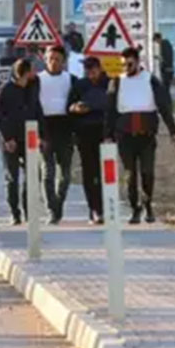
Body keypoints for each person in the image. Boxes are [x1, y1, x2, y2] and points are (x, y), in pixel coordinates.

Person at [107, 47, 175, 224]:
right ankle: (135, 208)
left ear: (138, 62)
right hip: (125, 135)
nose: (126, 68)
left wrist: (173, 130)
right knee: (130, 174)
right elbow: (109, 112)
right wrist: (107, 134)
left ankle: (148, 204)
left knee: (147, 172)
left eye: (130, 64)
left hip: (146, 135)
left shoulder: (151, 80)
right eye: (123, 65)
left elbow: (163, 107)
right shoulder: (116, 82)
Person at [0, 58, 43, 225]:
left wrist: (42, 134)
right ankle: (15, 213)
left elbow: (37, 110)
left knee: (32, 176)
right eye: (32, 71)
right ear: (25, 73)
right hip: (11, 141)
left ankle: (30, 212)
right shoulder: (5, 90)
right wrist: (8, 139)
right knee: (12, 177)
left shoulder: (33, 87)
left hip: (29, 139)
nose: (34, 74)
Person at [37, 45, 76, 224]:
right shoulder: (37, 80)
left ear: (64, 61)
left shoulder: (71, 80)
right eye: (50, 59)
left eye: (57, 59)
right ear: (45, 59)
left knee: (65, 174)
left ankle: (58, 204)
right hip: (45, 128)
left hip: (65, 129)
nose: (53, 62)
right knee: (47, 172)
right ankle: (51, 210)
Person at [67, 56, 110, 224]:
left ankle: (106, 207)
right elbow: (69, 107)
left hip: (105, 133)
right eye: (87, 70)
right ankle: (94, 209)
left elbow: (115, 107)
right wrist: (76, 108)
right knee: (89, 172)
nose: (90, 74)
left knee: (105, 173)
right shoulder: (80, 85)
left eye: (93, 70)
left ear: (100, 68)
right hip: (85, 133)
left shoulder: (109, 83)